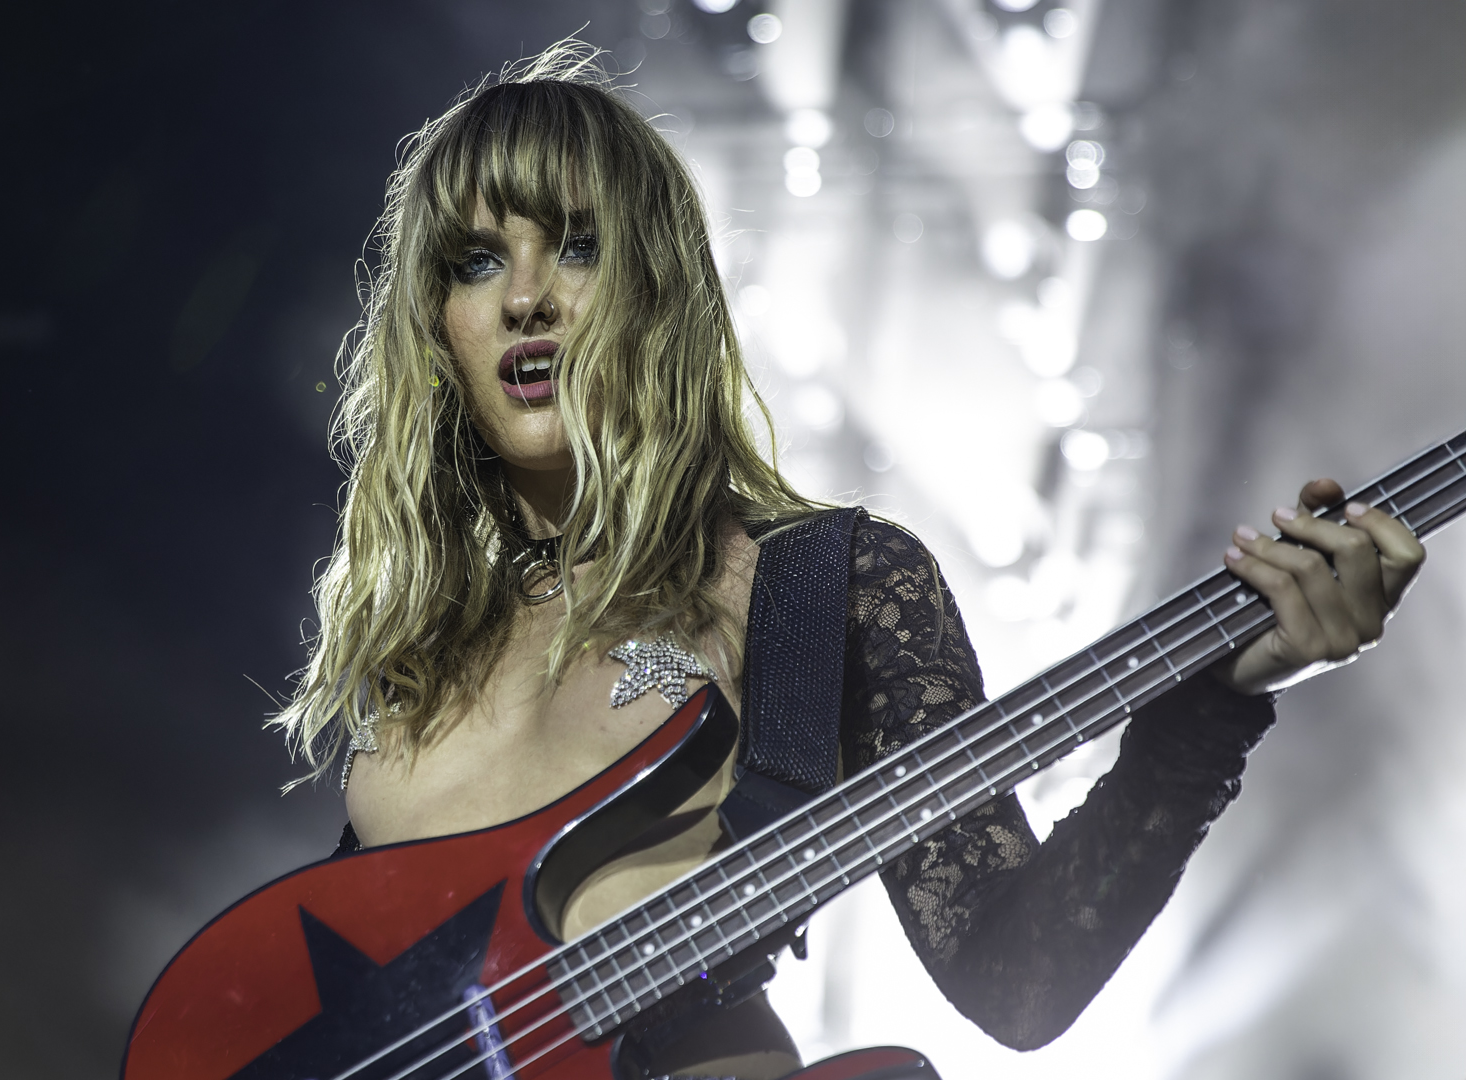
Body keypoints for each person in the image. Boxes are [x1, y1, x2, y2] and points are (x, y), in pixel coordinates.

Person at [268, 42, 1426, 1076]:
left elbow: (1019, 984)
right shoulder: (415, 653)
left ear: (654, 293)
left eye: (576, 247)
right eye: (475, 262)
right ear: (435, 330)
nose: (526, 297)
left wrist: (1215, 706)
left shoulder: (819, 590)